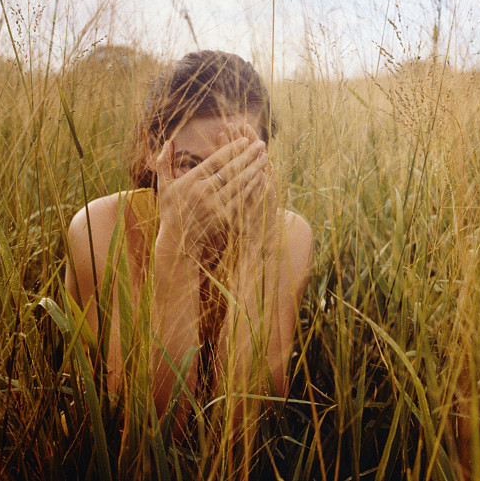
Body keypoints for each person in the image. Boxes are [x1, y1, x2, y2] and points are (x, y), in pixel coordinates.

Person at [64, 50, 313, 432]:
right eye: (192, 166)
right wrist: (178, 247)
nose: (215, 194)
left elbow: (248, 429)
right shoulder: (102, 227)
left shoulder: (288, 235)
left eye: (238, 164)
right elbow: (152, 432)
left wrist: (253, 249)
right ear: (153, 150)